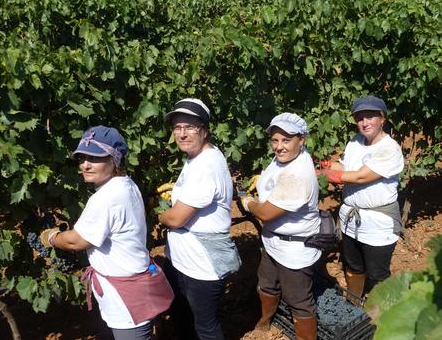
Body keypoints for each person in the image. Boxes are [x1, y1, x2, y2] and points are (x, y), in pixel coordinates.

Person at [40, 125, 173, 340]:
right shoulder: (127, 184)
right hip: (132, 287)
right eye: (82, 157)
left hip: (126, 299)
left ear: (115, 160)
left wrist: (52, 237)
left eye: (95, 158)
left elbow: (76, 241)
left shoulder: (106, 198)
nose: (85, 165)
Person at [158, 98, 241, 340]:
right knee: (184, 316)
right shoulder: (198, 158)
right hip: (186, 261)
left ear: (204, 130)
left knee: (205, 327)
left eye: (190, 127)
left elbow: (176, 219)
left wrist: (161, 215)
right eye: (177, 128)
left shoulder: (206, 166)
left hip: (201, 266)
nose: (182, 134)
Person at [240, 113, 321, 340]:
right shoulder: (285, 159)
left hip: (295, 249)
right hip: (274, 241)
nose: (279, 146)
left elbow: (265, 213)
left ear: (301, 139)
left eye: (286, 140)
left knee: (299, 301)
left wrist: (249, 202)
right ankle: (265, 321)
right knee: (267, 284)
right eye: (275, 140)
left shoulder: (298, 174)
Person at [317, 95, 404, 298]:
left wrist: (326, 175)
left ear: (382, 118)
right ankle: (354, 303)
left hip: (378, 222)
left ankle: (382, 316)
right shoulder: (355, 142)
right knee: (353, 266)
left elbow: (360, 176)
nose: (364, 123)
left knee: (377, 274)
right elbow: (346, 167)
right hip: (351, 220)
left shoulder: (389, 149)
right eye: (359, 118)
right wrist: (325, 165)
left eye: (370, 117)